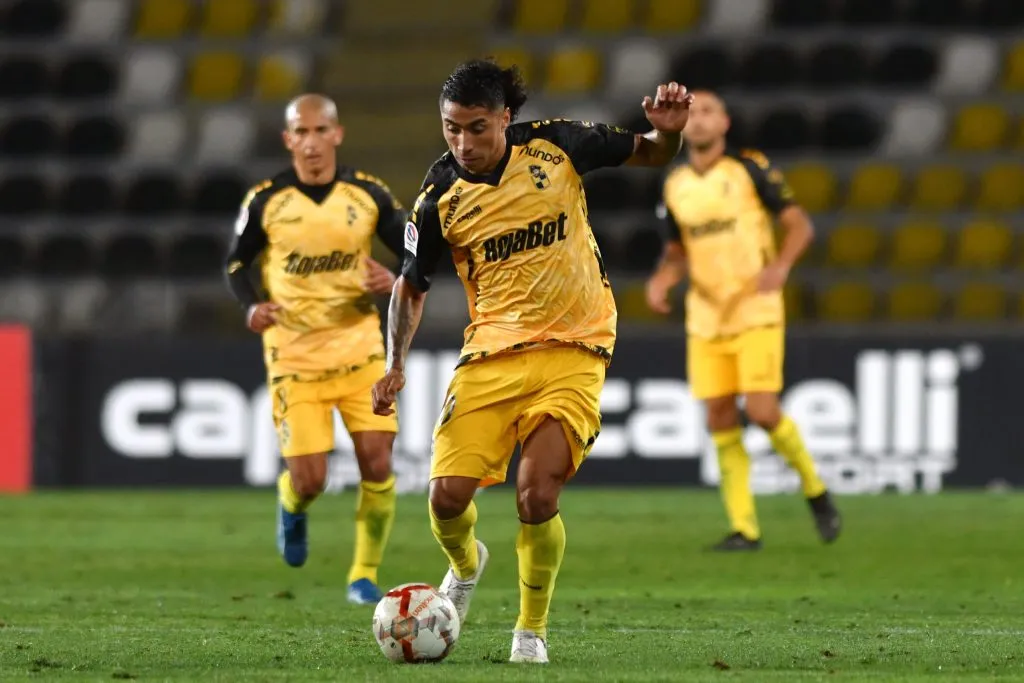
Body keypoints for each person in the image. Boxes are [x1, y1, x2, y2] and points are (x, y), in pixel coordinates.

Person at [370, 58, 692, 664]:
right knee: (445, 499)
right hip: (491, 353)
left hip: (575, 345)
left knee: (536, 495)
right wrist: (395, 365)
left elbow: (651, 152)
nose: (463, 143)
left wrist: (669, 133)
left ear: (505, 118)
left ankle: (530, 632)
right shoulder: (438, 196)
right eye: (451, 128)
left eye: (476, 127)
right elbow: (411, 286)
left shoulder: (557, 145)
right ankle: (466, 565)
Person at [224, 94, 406, 605]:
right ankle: (292, 504)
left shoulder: (368, 193)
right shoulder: (267, 200)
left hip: (360, 349)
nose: (311, 142)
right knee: (311, 479)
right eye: (301, 132)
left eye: (320, 130)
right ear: (288, 140)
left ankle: (363, 576)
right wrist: (251, 306)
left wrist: (394, 277)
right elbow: (236, 264)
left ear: (337, 134)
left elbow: (415, 252)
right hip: (295, 356)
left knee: (378, 463)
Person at [644, 90, 842, 552]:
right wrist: (662, 280)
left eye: (708, 111)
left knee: (762, 411)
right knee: (718, 416)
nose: (698, 120)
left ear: (725, 123)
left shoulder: (749, 168)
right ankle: (744, 528)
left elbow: (799, 224)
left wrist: (781, 267)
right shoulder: (674, 181)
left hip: (755, 308)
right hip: (706, 316)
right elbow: (677, 250)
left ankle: (816, 490)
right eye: (691, 113)